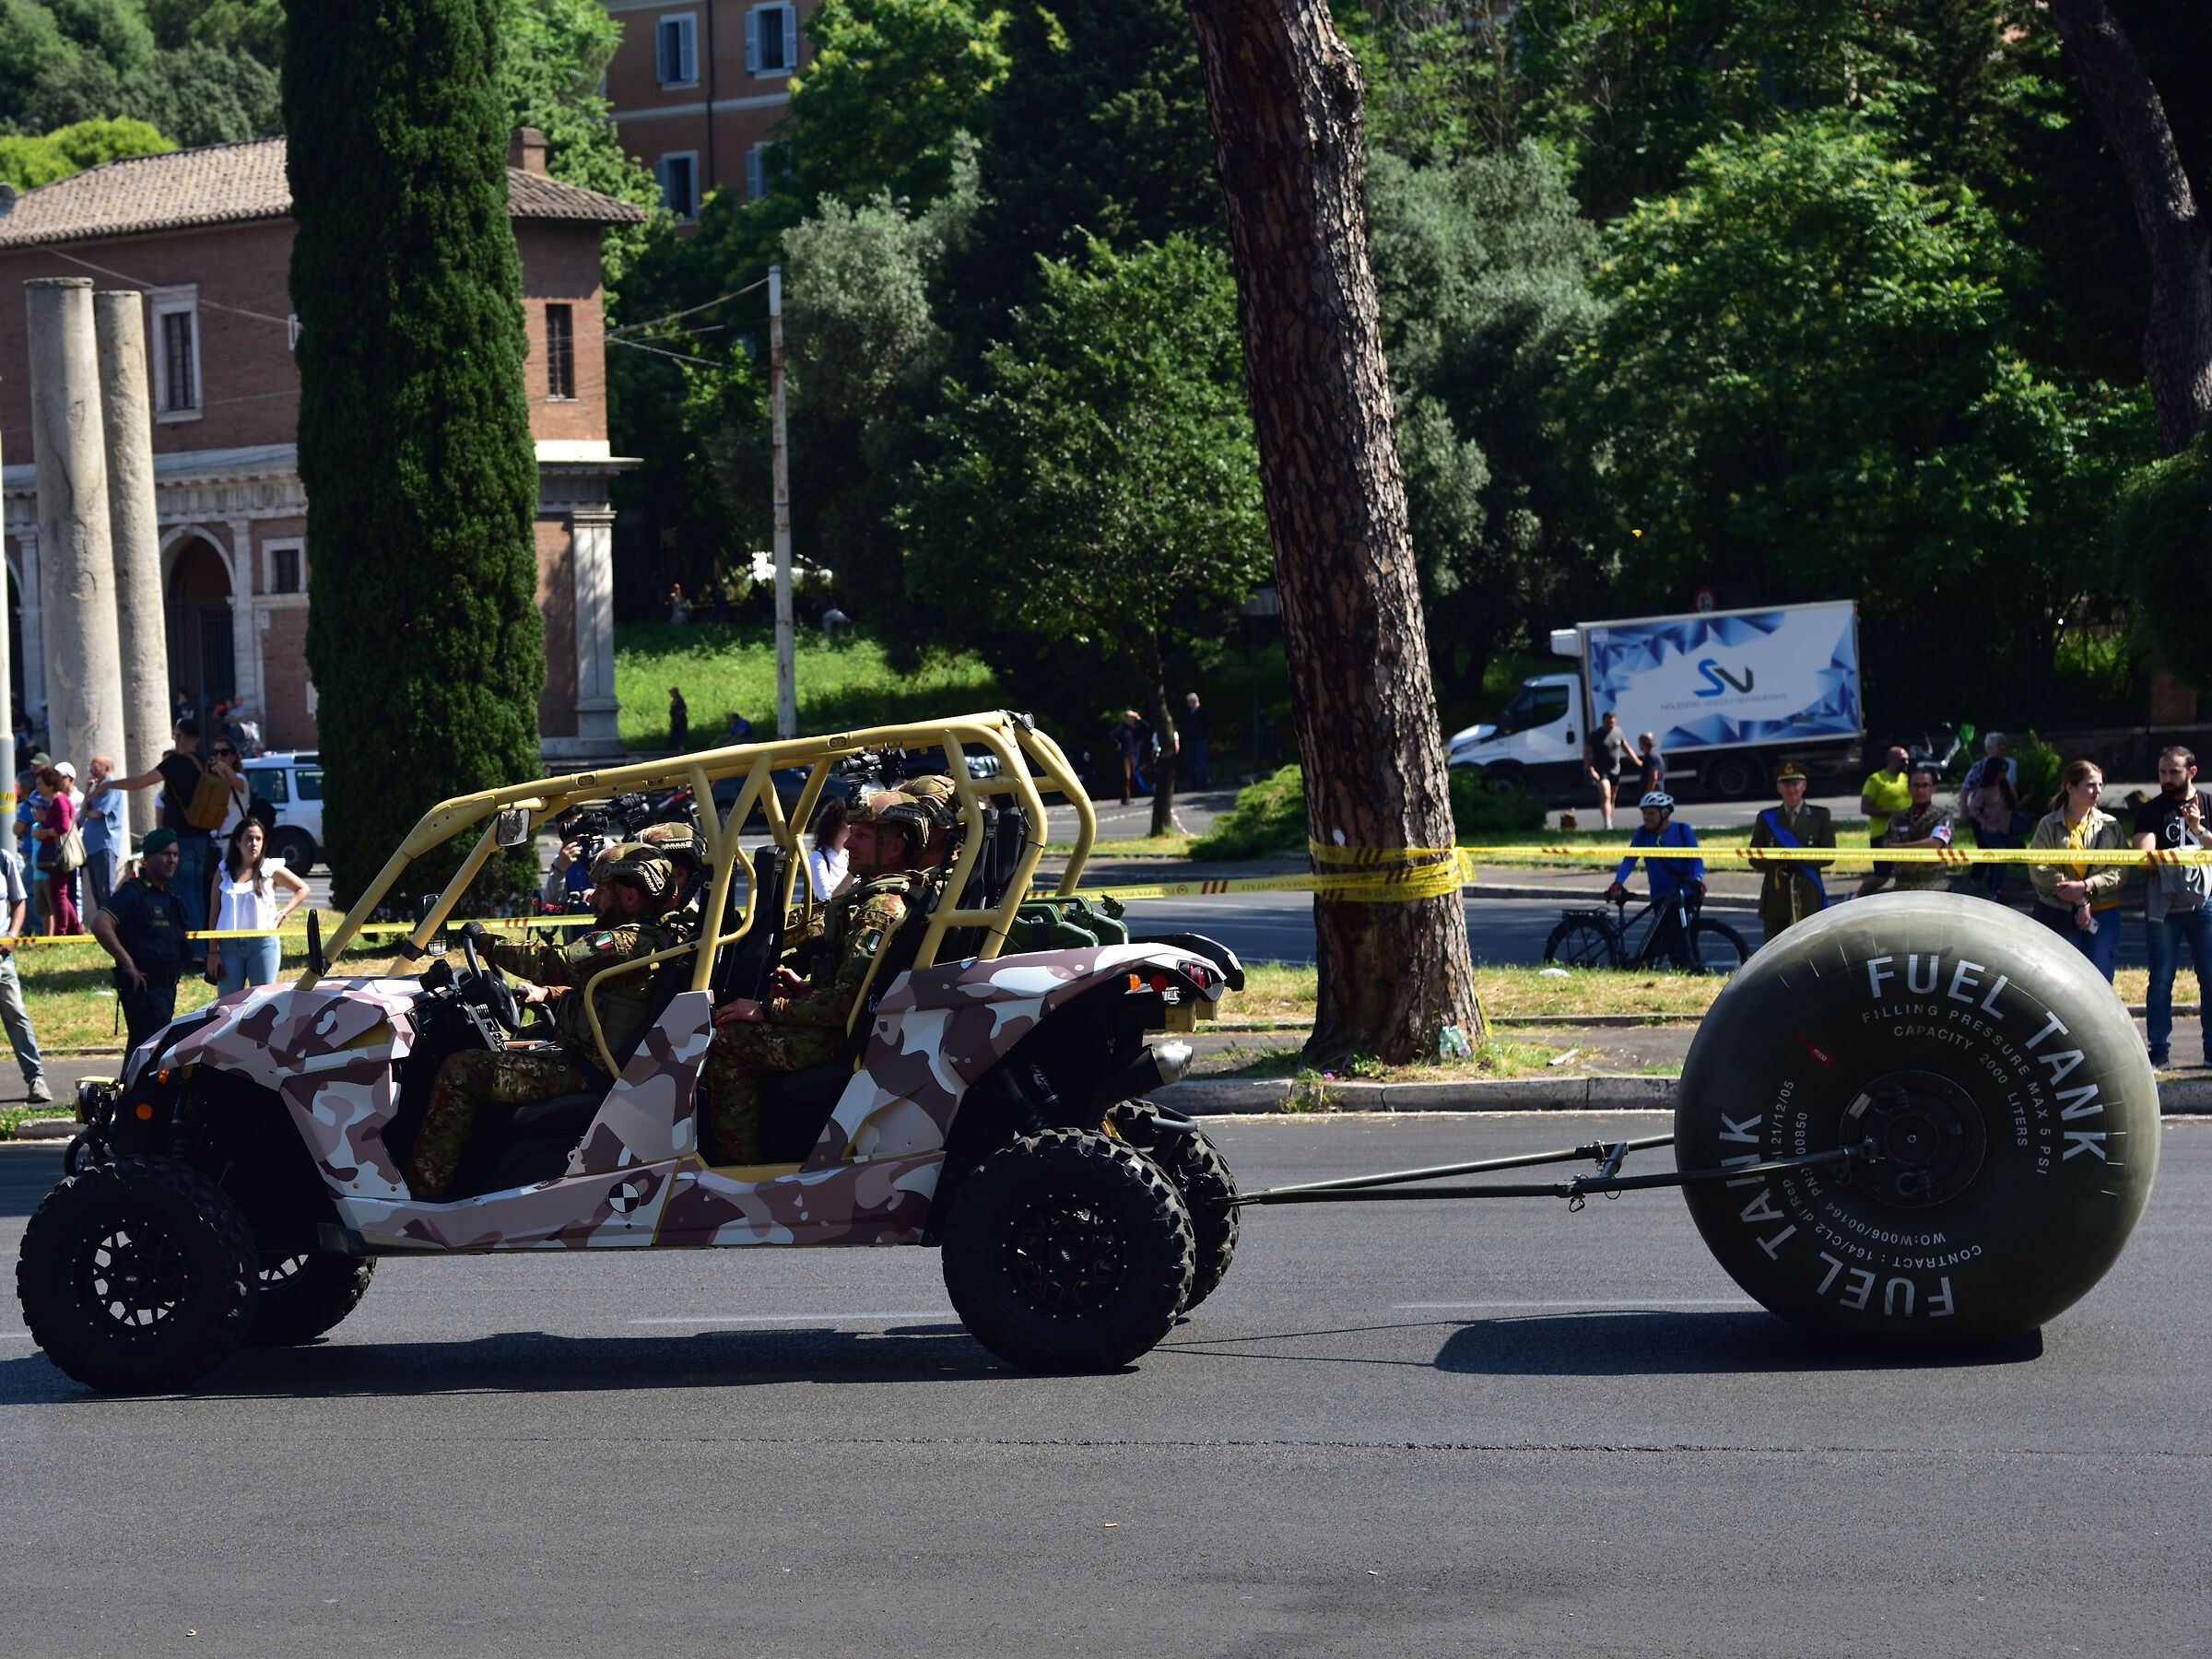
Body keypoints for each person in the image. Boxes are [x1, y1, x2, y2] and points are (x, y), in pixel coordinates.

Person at [700, 777, 955, 1163]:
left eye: (863, 836)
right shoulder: (884, 896)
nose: (848, 844)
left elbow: (846, 1004)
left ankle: (736, 1168)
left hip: (842, 1039)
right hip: (847, 1028)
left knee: (726, 1041)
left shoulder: (881, 908)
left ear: (896, 848)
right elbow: (851, 984)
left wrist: (768, 1010)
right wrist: (804, 989)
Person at [405, 849, 685, 1201]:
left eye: (602, 890)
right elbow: (606, 993)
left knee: (460, 1070)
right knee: (511, 1044)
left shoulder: (629, 941)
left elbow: (556, 961)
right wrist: (547, 995)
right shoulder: (652, 939)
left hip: (589, 1071)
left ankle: (421, 1195)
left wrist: (485, 942)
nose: (593, 898)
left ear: (629, 897)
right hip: (593, 1061)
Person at [101, 719, 226, 975]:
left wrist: (107, 785)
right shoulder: (205, 761)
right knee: (196, 894)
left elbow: (140, 782)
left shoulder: (175, 763)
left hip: (180, 838)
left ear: (178, 736)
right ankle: (202, 947)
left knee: (183, 892)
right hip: (202, 835)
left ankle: (196, 952)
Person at [2133, 746, 2212, 1067]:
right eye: (2162, 772)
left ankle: (2211, 1051)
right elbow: (2144, 860)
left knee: (2209, 977)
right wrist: (2164, 856)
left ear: (2191, 772)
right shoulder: (2152, 810)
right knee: (2162, 978)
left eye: (2173, 772)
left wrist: (2198, 829)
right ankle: (2159, 1050)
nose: (2166, 778)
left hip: (2205, 902)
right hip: (2163, 905)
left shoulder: (2207, 802)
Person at [89, 826, 188, 1051]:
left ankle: (132, 1087)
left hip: (166, 989)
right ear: (148, 858)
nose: (172, 860)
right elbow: (100, 924)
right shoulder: (133, 892)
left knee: (146, 1053)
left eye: (175, 854)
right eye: (165, 854)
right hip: (144, 989)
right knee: (149, 1052)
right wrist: (128, 963)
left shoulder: (170, 894)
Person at [2030, 759, 2127, 981]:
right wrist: (2077, 899)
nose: (2097, 791)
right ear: (2070, 787)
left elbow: (2122, 869)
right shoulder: (2049, 824)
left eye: (2101, 785)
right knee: (2063, 979)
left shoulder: (2110, 824)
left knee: (2101, 979)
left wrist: (2086, 887)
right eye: (2091, 785)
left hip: (2105, 911)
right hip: (2061, 911)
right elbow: (2039, 867)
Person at [205, 819, 308, 994]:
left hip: (263, 945)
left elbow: (302, 888)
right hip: (229, 947)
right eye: (249, 838)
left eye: (258, 839)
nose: (254, 843)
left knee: (262, 1004)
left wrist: (283, 913)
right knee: (227, 1005)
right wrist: (212, 952)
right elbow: (214, 912)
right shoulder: (224, 871)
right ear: (237, 842)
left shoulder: (269, 868)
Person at [1606, 792, 1704, 968]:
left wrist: (1698, 878)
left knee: (1684, 935)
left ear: (1665, 813)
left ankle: (1686, 967)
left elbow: (1696, 859)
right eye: (1644, 814)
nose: (1646, 818)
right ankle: (1670, 966)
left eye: (1651, 813)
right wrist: (1618, 882)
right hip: (1660, 896)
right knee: (1669, 935)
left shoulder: (1682, 830)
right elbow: (1630, 859)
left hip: (1684, 893)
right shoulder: (1643, 834)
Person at [1747, 762, 1834, 943]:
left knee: (1810, 945)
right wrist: (1780, 865)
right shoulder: (1766, 818)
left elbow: (1829, 854)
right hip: (1776, 892)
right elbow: (1754, 856)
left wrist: (1803, 862)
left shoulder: (1820, 816)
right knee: (1773, 948)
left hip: (1808, 891)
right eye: (1786, 785)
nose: (1791, 789)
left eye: (1796, 784)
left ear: (1804, 785)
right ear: (1779, 788)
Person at [0, 830, 50, 1103]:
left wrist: (13, 935)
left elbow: (19, 901)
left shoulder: (3, 859)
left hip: (1, 959)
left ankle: (36, 1080)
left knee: (17, 1017)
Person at [1857, 765, 1959, 898]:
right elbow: (1888, 847)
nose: (1920, 790)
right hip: (1903, 889)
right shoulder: (1898, 818)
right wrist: (1919, 845)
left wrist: (1900, 847)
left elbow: (1935, 844)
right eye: (1916, 785)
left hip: (1936, 889)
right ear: (1908, 789)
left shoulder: (1943, 817)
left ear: (1934, 788)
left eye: (1925, 785)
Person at [29, 762, 81, 935]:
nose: (37, 788)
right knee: (59, 894)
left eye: (40, 784)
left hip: (59, 854)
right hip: (53, 855)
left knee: (58, 894)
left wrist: (44, 833)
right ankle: (77, 930)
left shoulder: (59, 800)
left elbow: (63, 826)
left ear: (50, 784)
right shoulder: (55, 801)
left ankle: (61, 933)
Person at [1962, 745, 2020, 900]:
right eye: (2001, 771)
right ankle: (1995, 890)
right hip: (1990, 829)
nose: (2004, 775)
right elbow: (1973, 810)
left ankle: (1995, 886)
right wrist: (1985, 823)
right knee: (1999, 859)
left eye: (2005, 771)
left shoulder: (2006, 786)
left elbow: (2014, 804)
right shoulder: (1984, 790)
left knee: (2001, 861)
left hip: (2005, 828)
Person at [1858, 744, 1912, 880]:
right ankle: (1855, 897)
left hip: (1906, 834)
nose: (1906, 763)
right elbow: (1865, 808)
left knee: (1908, 873)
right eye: (1902, 760)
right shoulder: (1875, 780)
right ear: (1890, 761)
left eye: (1907, 759)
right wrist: (1892, 813)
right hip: (1882, 834)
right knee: (1881, 876)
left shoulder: (1906, 779)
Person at [79, 754, 124, 912]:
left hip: (104, 845)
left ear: (106, 768)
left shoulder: (111, 786)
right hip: (92, 847)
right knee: (97, 893)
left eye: (95, 765)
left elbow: (99, 813)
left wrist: (89, 812)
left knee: (106, 891)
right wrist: (87, 790)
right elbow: (83, 812)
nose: (90, 769)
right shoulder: (96, 788)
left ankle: (112, 929)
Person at [1584, 711, 1630, 830]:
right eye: (1608, 722)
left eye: (1612, 722)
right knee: (1606, 795)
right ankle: (1607, 823)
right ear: (1603, 721)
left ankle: (1610, 819)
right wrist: (1590, 769)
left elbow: (1626, 748)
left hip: (1615, 770)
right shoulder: (1595, 735)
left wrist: (1638, 762)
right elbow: (1587, 753)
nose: (1610, 724)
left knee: (1612, 797)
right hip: (1600, 770)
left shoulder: (1618, 732)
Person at [806, 794, 851, 900]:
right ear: (836, 825)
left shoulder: (851, 853)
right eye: (849, 822)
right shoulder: (818, 858)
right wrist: (853, 871)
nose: (853, 826)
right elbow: (826, 900)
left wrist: (839, 890)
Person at [1111, 711, 1145, 806]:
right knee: (1126, 776)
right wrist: (1117, 743)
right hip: (1124, 755)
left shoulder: (1134, 729)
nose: (1132, 720)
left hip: (1132, 755)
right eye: (1130, 718)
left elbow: (1147, 727)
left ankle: (1128, 797)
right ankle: (1124, 798)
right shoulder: (1121, 729)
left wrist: (1138, 718)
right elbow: (1110, 735)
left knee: (1131, 777)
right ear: (1125, 719)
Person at [1183, 692, 1213, 790]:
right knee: (1191, 763)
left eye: (1189, 702)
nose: (1188, 704)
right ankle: (1193, 784)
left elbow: (1209, 726)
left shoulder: (1203, 711)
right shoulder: (1189, 713)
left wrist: (1205, 737)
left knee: (1201, 762)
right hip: (1190, 741)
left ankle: (1204, 783)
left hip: (1200, 740)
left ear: (1194, 701)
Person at [1636, 733, 1665, 797]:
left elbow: (1653, 777)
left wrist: (1648, 795)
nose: (1639, 745)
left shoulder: (1651, 756)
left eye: (1640, 743)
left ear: (1644, 743)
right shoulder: (1654, 755)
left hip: (1654, 796)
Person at [669, 687, 689, 753]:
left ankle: (682, 749)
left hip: (681, 721)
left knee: (680, 735)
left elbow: (685, 709)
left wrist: (679, 713)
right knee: (675, 735)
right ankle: (679, 749)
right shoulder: (673, 702)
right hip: (675, 721)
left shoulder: (680, 701)